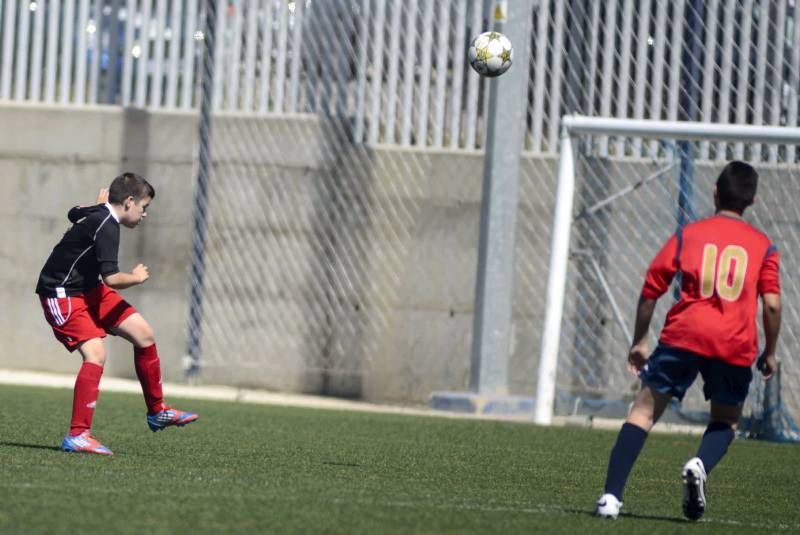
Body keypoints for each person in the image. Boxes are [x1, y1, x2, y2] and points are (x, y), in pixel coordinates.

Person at [594, 161, 781, 520]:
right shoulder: (763, 247)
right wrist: (770, 353)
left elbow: (651, 288)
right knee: (726, 421)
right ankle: (699, 463)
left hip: (685, 334)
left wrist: (639, 340)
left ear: (715, 192)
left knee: (644, 412)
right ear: (752, 200)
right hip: (734, 342)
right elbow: (772, 305)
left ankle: (610, 499)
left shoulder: (690, 233)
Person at [35, 173, 198, 456]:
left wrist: (95, 207)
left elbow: (73, 212)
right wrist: (135, 277)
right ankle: (77, 435)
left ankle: (157, 411)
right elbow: (111, 279)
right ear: (129, 202)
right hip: (61, 293)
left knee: (143, 334)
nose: (145, 214)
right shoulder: (107, 226)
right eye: (144, 208)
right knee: (96, 354)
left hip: (88, 289)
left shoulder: (101, 214)